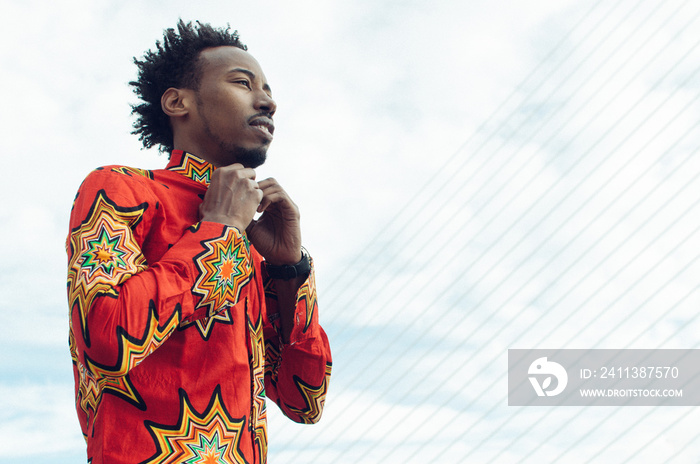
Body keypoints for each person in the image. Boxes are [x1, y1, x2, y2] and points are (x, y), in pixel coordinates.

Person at [66, 20, 332, 464]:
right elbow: (106, 342)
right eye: (243, 83)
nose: (267, 100)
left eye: (267, 89)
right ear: (177, 101)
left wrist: (290, 270)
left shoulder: (251, 240)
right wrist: (219, 229)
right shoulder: (119, 189)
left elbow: (304, 402)